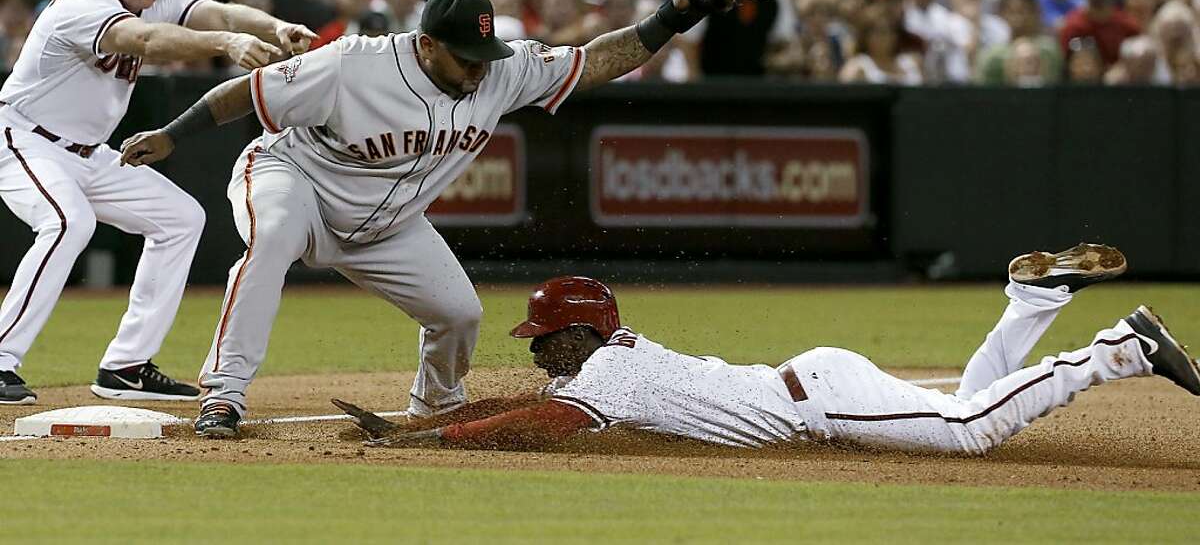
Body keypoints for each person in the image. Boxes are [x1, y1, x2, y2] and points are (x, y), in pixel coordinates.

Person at [117, 0, 739, 437]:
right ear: (427, 44)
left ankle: (434, 403)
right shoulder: (352, 64)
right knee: (272, 238)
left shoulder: (500, 71)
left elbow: (599, 60)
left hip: (387, 224)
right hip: (297, 178)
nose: (478, 71)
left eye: (485, 56)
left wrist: (673, 17)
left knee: (459, 315)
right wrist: (172, 135)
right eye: (465, 57)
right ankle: (223, 396)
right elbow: (244, 94)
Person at [335, 244, 1200, 453]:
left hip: (818, 397)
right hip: (815, 382)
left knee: (968, 430)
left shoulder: (608, 371)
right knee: (954, 409)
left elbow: (541, 424)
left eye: (545, 336)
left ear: (583, 331)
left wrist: (432, 436)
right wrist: (417, 425)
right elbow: (532, 407)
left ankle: (1117, 350)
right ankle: (1034, 298)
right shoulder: (609, 359)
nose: (535, 350)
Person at [0, 0, 316, 405]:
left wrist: (276, 28)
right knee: (68, 222)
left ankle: (125, 366)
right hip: (22, 138)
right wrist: (226, 44)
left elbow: (226, 14)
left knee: (181, 218)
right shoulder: (83, 2)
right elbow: (146, 40)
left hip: (88, 153)